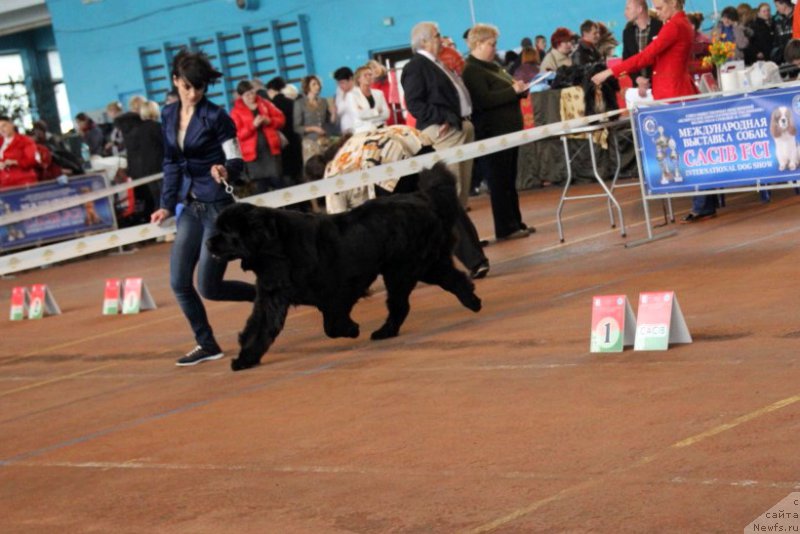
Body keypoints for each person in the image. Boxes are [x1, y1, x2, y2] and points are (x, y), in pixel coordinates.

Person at [149, 50, 255, 366]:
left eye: (200, 87)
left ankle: (263, 295)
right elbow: (170, 162)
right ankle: (206, 344)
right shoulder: (167, 115)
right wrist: (166, 204)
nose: (194, 93)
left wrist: (226, 171)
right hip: (190, 206)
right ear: (175, 82)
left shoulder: (217, 116)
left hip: (217, 208)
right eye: (188, 87)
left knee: (209, 286)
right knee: (179, 282)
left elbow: (236, 159)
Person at [305, 125, 490, 279]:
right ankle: (476, 260)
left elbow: (338, 222)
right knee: (444, 203)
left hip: (390, 169)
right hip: (418, 144)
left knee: (400, 223)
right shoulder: (351, 143)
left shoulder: (331, 173)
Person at [592, 0, 716, 222]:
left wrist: (611, 72)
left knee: (686, 150)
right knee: (687, 148)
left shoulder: (674, 25)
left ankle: (703, 203)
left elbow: (647, 56)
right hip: (674, 91)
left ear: (673, 4)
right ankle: (704, 201)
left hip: (674, 94)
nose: (657, 12)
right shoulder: (679, 23)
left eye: (660, 8)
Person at [462, 23, 534, 242]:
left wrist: (519, 91)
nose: (495, 48)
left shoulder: (492, 67)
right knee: (499, 182)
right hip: (492, 134)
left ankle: (515, 221)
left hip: (507, 132)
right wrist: (513, 91)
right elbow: (483, 100)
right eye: (491, 44)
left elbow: (504, 91)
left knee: (509, 181)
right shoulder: (472, 70)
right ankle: (505, 227)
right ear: (478, 44)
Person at [401, 21, 475, 209]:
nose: (441, 39)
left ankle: (463, 234)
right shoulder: (416, 66)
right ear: (423, 41)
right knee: (452, 184)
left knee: (463, 186)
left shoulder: (437, 63)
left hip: (460, 125)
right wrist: (443, 117)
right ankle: (453, 234)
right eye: (437, 35)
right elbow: (414, 104)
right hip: (444, 130)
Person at [231, 79, 286, 194]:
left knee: (279, 183)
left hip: (271, 151)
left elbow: (281, 119)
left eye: (252, 92)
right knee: (260, 187)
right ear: (241, 96)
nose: (251, 96)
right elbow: (237, 135)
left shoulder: (265, 103)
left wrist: (269, 121)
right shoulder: (236, 112)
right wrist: (252, 125)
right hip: (253, 156)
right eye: (247, 95)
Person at [266, 76, 304, 187]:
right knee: (298, 172)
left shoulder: (270, 106)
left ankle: (293, 202)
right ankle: (305, 202)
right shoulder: (292, 102)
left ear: (271, 90)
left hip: (281, 143)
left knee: (286, 173)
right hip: (295, 139)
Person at [622, 0, 664, 93]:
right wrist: (637, 79)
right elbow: (626, 59)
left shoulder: (660, 27)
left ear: (640, 9)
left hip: (661, 84)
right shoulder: (627, 32)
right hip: (639, 89)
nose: (625, 13)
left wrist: (648, 80)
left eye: (628, 8)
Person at [293, 74, 333, 165]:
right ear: (307, 87)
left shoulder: (323, 101)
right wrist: (313, 128)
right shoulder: (299, 103)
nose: (317, 87)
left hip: (324, 141)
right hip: (310, 142)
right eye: (314, 84)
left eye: (318, 84)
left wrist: (334, 113)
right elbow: (297, 127)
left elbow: (329, 121)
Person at [346, 65, 390, 133]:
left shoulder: (379, 93)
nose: (369, 77)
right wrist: (377, 111)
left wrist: (367, 115)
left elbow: (386, 114)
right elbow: (359, 115)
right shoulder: (352, 95)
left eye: (370, 75)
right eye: (365, 75)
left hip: (382, 130)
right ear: (358, 79)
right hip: (363, 132)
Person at [0, 116, 39, 189]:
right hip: (4, 183)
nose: (1, 130)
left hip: (23, 181)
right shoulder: (0, 141)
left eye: (4, 126)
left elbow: (32, 160)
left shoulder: (25, 141)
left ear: (12, 124)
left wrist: (15, 162)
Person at [333, 66, 356, 135]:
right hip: (345, 130)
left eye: (342, 82)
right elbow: (338, 111)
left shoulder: (358, 91)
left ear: (351, 79)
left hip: (358, 129)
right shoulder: (339, 91)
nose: (340, 86)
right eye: (338, 83)